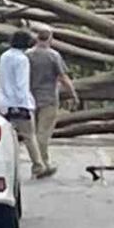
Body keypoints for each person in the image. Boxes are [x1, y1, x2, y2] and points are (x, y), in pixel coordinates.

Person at [27, 25, 78, 177]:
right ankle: (42, 164)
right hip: (48, 98)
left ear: (37, 38)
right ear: (50, 38)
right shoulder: (53, 56)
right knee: (43, 133)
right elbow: (63, 77)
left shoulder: (27, 55)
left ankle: (37, 163)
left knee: (33, 133)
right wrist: (73, 94)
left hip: (29, 98)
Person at [0, 29, 46, 179]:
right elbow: (21, 84)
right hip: (19, 103)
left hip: (5, 102)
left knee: (7, 137)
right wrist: (26, 103)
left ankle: (5, 165)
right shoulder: (22, 59)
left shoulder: (4, 56)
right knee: (29, 136)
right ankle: (38, 165)